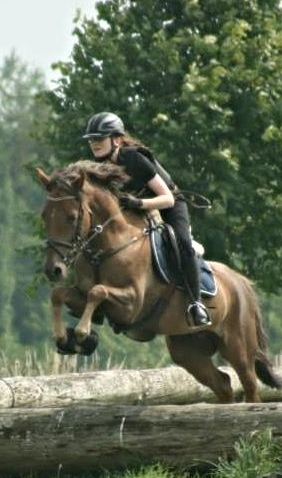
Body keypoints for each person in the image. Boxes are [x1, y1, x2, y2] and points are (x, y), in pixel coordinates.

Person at [82, 111, 211, 327]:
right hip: (136, 209)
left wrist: (140, 204)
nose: (94, 144)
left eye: (99, 138)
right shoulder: (99, 168)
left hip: (168, 205)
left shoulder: (133, 158)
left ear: (117, 139)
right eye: (91, 140)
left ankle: (196, 304)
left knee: (182, 244)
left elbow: (167, 198)